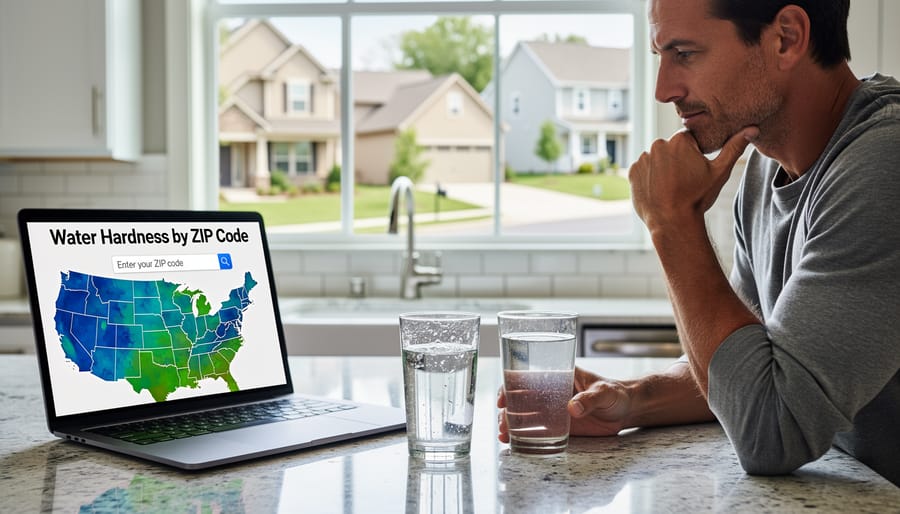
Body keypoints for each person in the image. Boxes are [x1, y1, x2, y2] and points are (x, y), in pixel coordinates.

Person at [498, 0, 900, 486]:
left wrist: (672, 222)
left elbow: (771, 432)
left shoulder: (885, 164)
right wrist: (631, 398)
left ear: (787, 38)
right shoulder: (762, 169)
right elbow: (750, 369)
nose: (663, 90)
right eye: (660, 56)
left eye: (684, 53)